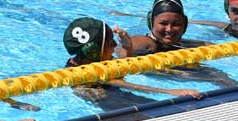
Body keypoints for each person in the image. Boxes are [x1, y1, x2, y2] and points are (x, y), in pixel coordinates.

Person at [63, 17, 201, 108]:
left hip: (114, 94)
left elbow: (128, 67)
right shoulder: (82, 71)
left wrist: (128, 47)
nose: (115, 44)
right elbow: (122, 83)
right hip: (105, 99)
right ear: (93, 50)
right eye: (110, 42)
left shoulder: (95, 60)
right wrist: (170, 91)